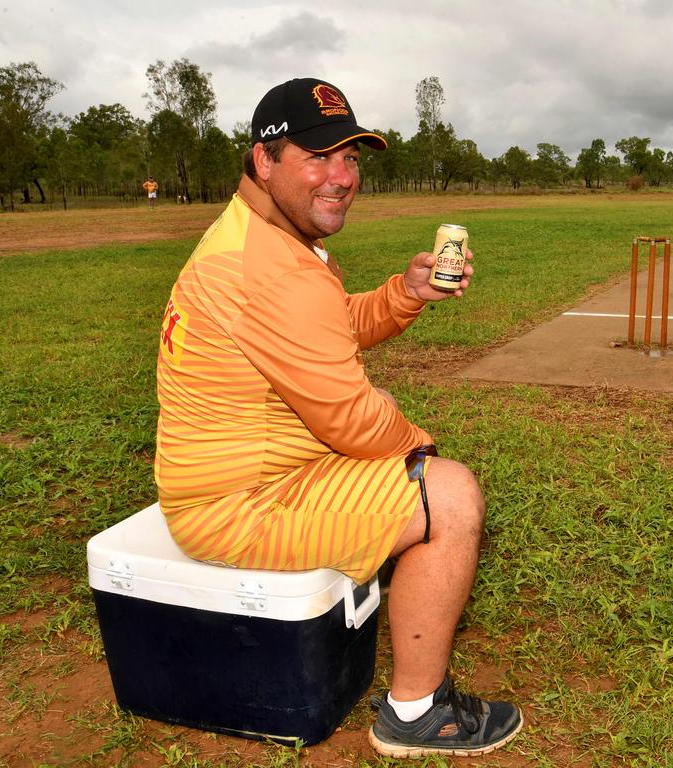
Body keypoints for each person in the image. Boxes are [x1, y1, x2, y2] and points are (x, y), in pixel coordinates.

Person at [153, 77, 522, 759]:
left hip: (264, 472)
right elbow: (352, 421)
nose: (342, 176)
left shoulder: (268, 238)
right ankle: (415, 714)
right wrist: (421, 451)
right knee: (450, 495)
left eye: (351, 157)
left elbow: (324, 328)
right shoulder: (266, 266)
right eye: (318, 157)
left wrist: (403, 294)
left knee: (415, 468)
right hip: (240, 503)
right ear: (264, 161)